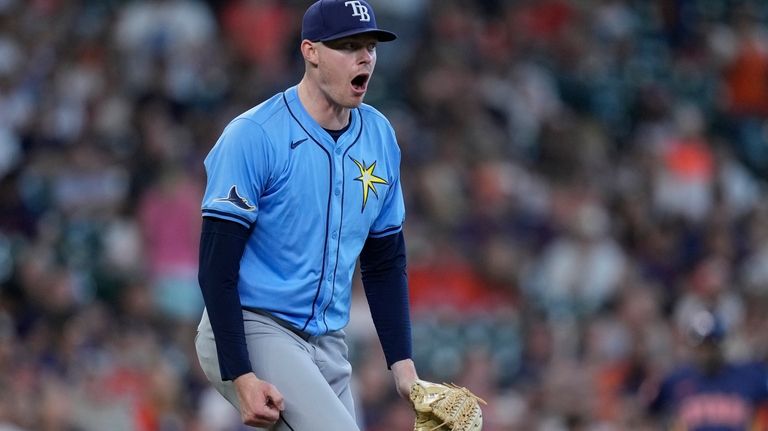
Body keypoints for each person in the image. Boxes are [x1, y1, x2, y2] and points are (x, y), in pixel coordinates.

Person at [194, 1, 419, 429]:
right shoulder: (255, 135)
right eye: (348, 45)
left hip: (328, 343)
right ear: (310, 51)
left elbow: (385, 260)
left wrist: (404, 370)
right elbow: (215, 268)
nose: (364, 57)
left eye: (370, 46)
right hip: (254, 325)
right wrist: (242, 375)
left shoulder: (379, 136)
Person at [645, 310, 768, 430]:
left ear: (722, 345)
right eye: (702, 346)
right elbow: (647, 409)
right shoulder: (675, 380)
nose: (707, 352)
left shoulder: (749, 376)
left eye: (712, 345)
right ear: (694, 347)